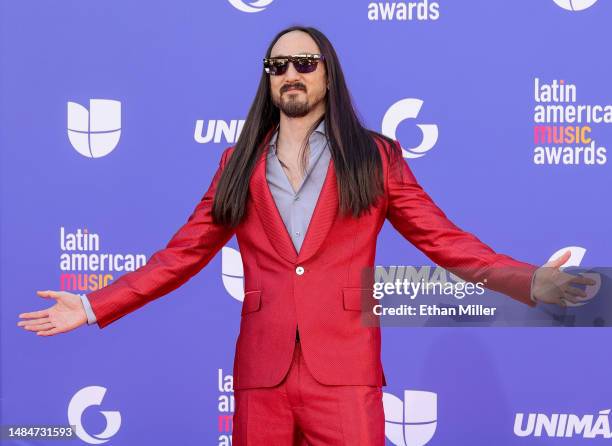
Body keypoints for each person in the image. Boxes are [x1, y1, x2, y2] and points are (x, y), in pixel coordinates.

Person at [18, 25, 595, 445]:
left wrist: (530, 281)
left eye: (304, 62)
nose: (291, 73)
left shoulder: (375, 156)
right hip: (260, 381)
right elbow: (179, 256)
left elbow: (444, 240)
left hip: (345, 375)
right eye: (278, 66)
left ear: (327, 72)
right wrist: (94, 305)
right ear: (268, 80)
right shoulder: (237, 163)